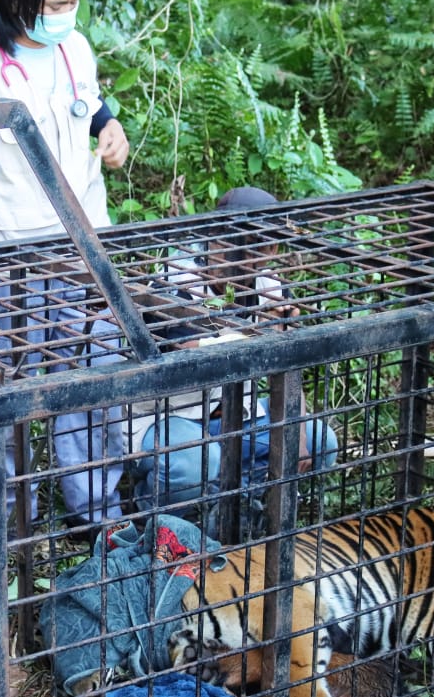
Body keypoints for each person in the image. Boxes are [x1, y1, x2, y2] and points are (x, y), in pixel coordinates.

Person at [0, 0, 131, 530]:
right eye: (56, 5)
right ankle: (10, 520)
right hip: (13, 253)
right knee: (8, 389)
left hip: (84, 245)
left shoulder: (75, 48)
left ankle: (95, 511)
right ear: (18, 2)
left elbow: (91, 105)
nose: (67, 15)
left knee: (86, 376)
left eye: (74, 2)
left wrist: (110, 129)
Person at [130, 187, 338, 539]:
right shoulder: (174, 280)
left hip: (237, 413)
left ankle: (243, 510)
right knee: (197, 463)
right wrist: (265, 331)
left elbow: (287, 364)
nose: (259, 256)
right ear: (214, 237)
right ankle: (161, 522)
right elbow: (195, 357)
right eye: (247, 244)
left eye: (265, 246)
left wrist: (297, 434)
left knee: (320, 442)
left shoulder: (269, 284)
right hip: (172, 415)